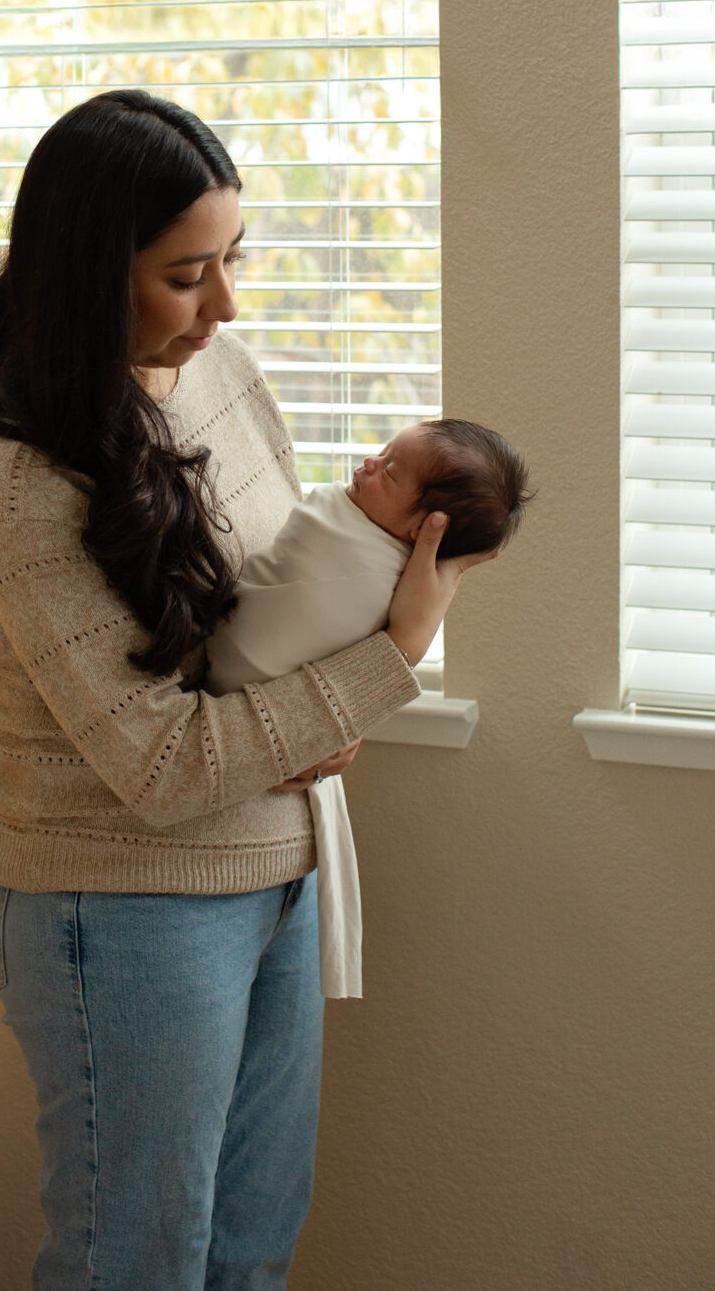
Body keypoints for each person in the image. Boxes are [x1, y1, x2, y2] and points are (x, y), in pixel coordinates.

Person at [0, 89, 495, 1291]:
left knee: (250, 1247)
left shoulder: (221, 375)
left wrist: (335, 701)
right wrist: (386, 663)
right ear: (91, 272)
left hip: (278, 875)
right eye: (187, 274)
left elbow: (271, 613)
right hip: (121, 909)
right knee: (132, 1261)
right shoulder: (14, 482)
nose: (225, 304)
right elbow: (161, 765)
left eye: (231, 259)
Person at [205, 419, 533, 999]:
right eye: (381, 454)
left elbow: (326, 650)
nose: (365, 466)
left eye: (390, 471)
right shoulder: (348, 531)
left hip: (281, 853)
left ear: (421, 526)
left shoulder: (365, 560)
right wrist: (398, 649)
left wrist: (335, 715)